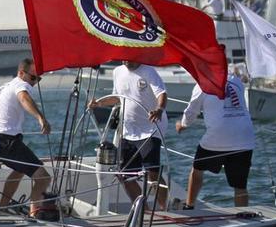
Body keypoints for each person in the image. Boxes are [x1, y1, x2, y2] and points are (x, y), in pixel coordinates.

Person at [176, 51, 255, 208]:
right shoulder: (236, 81)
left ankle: (189, 205)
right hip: (245, 138)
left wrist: (183, 124)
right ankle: (243, 214)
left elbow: (192, 111)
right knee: (240, 185)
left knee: (197, 169)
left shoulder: (202, 85)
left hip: (217, 138)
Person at [89, 60, 168, 207]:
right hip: (129, 130)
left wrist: (159, 110)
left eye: (129, 57)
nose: (126, 60)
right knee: (124, 174)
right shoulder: (117, 71)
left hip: (151, 128)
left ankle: (165, 208)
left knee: (152, 172)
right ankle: (143, 210)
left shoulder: (148, 71)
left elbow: (162, 94)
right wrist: (99, 104)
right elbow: (117, 97)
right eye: (123, 57)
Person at [0, 59, 52, 217]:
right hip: (6, 139)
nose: (34, 82)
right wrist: (41, 118)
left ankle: (2, 209)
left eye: (38, 79)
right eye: (33, 78)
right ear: (21, 73)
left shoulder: (3, 88)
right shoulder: (20, 84)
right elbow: (24, 98)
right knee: (43, 178)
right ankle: (35, 214)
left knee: (19, 170)